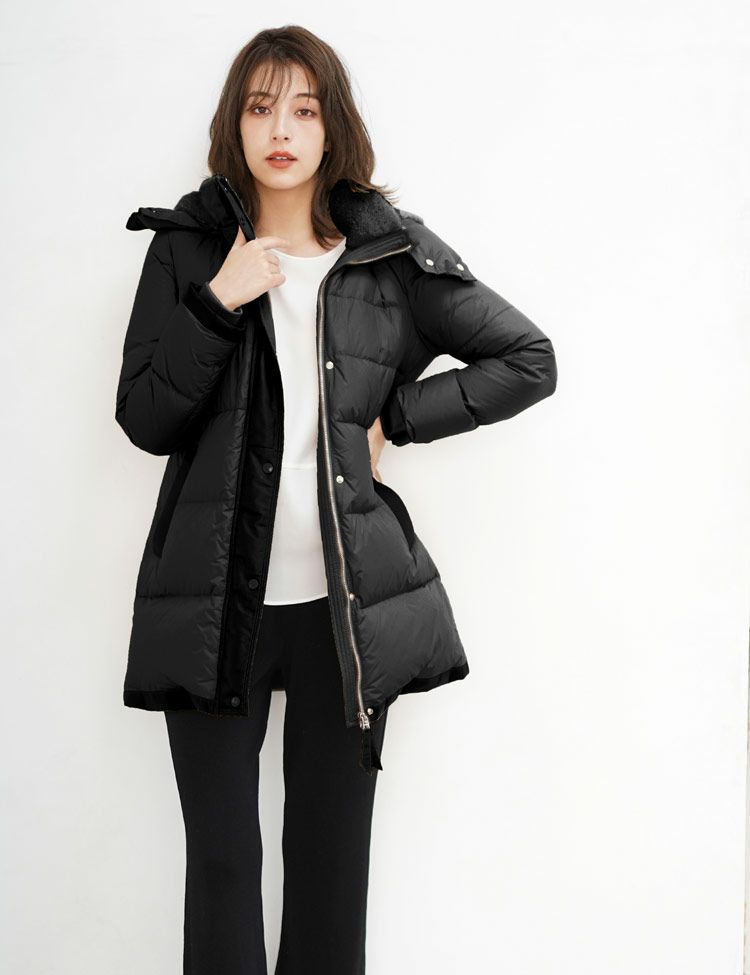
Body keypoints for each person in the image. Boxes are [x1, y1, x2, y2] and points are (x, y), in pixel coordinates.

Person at [114, 24, 557, 975]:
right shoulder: (189, 249)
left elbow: (527, 358)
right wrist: (219, 300)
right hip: (214, 610)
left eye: (304, 109)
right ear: (235, 124)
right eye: (261, 107)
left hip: (341, 616)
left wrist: (396, 417)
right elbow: (145, 416)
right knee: (223, 874)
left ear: (332, 126)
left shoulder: (388, 255)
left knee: (328, 879)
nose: (281, 129)